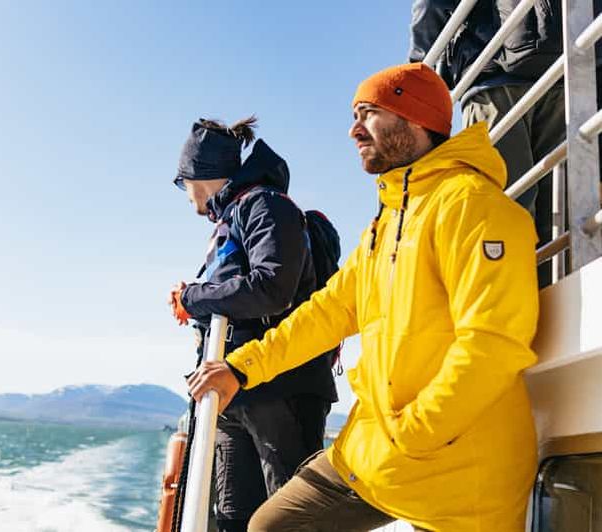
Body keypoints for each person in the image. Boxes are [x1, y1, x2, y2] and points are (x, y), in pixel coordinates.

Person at [187, 64, 539, 531]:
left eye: (368, 113)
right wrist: (241, 367)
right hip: (378, 451)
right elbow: (327, 312)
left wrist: (413, 434)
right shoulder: (387, 223)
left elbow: (492, 345)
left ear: (414, 118)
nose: (354, 129)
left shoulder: (474, 206)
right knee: (271, 525)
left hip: (460, 475)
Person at [169, 117, 338, 532]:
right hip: (232, 394)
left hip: (281, 391)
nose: (185, 193)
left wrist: (193, 297)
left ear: (198, 174)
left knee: (288, 519)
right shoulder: (233, 219)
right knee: (231, 517)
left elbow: (271, 287)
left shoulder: (266, 206)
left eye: (182, 183)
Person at [409, 0, 564, 286]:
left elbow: (431, 5)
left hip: (494, 74)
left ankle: (506, 310)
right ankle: (557, 307)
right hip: (566, 72)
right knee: (558, 215)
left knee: (498, 211)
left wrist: (420, 72)